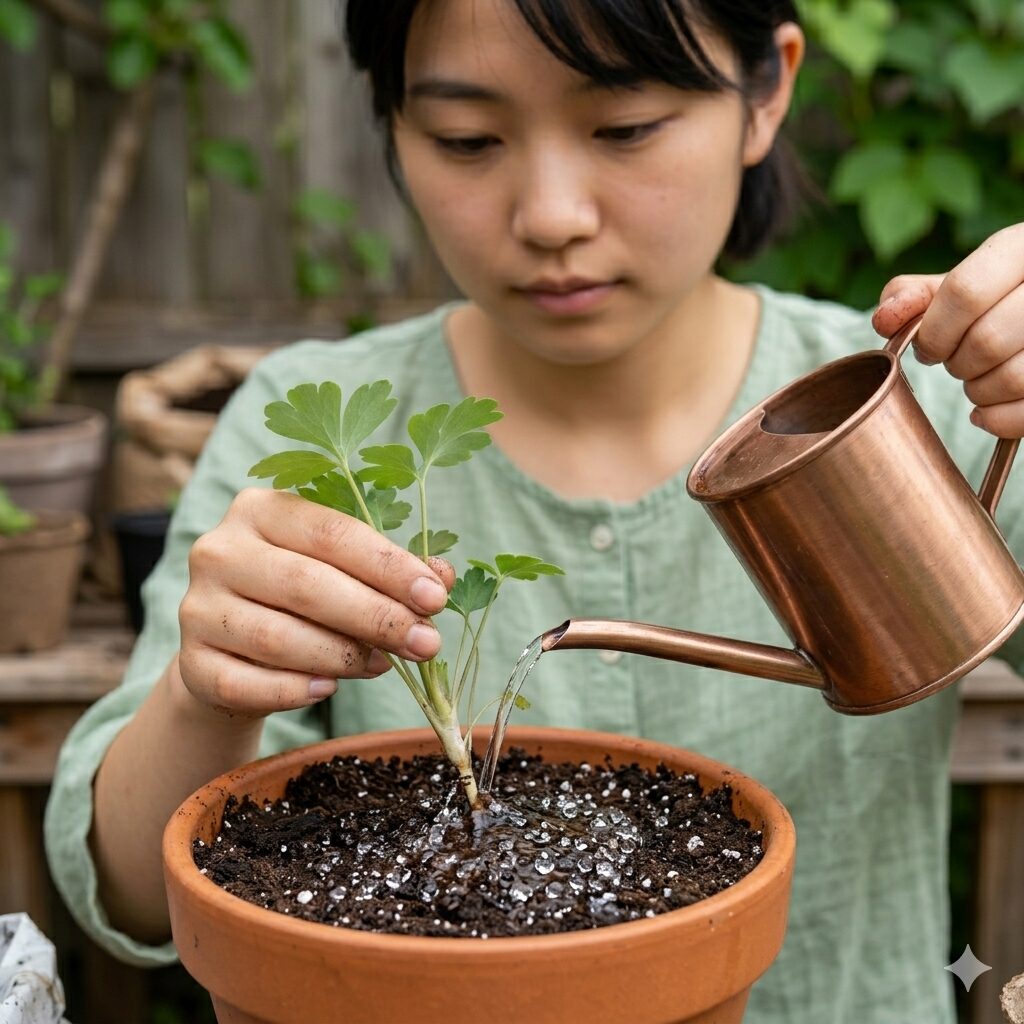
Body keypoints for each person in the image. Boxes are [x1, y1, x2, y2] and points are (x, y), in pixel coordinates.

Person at [44, 2, 1024, 1021]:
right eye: (466, 139)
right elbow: (122, 885)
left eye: (624, 127)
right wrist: (209, 697)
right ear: (389, 126)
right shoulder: (309, 453)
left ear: (763, 92)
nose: (551, 215)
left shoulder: (931, 419)